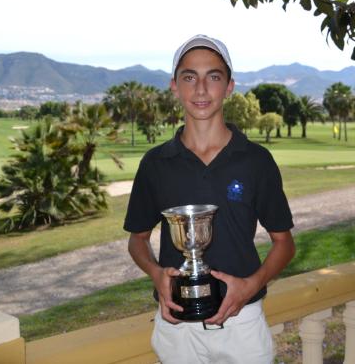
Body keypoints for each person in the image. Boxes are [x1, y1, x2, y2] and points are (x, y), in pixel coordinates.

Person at [124, 34, 295, 363]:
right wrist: (157, 273)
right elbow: (138, 240)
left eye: (213, 77)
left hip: (242, 324)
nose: (201, 90)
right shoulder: (155, 163)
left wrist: (250, 285)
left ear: (229, 86)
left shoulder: (256, 161)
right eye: (189, 77)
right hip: (176, 328)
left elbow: (284, 244)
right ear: (175, 86)